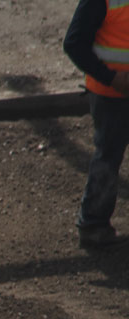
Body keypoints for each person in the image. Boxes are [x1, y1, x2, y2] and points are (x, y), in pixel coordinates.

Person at [64, 0, 129, 249]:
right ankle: (93, 225)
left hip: (111, 90)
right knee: (108, 156)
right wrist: (111, 78)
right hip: (110, 94)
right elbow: (74, 44)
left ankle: (94, 224)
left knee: (108, 156)